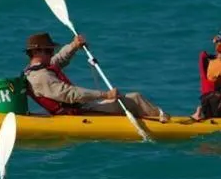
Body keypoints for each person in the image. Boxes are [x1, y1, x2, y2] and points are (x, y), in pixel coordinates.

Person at [23, 31, 167, 121]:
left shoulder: (36, 70)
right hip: (80, 112)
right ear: (36, 53)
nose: (52, 54)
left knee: (133, 99)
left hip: (80, 107)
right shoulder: (40, 77)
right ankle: (171, 124)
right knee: (135, 99)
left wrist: (73, 46)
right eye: (48, 51)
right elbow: (70, 94)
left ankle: (159, 118)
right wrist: (105, 95)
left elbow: (59, 59)